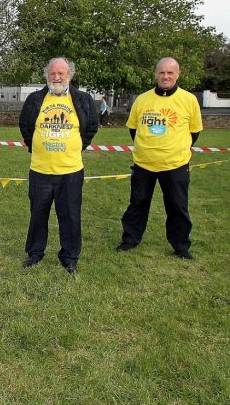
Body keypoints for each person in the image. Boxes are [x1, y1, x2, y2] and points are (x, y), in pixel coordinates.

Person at [18, 57, 99, 274]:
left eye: (61, 73)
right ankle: (35, 253)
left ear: (69, 75)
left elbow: (92, 126)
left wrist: (78, 146)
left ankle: (70, 258)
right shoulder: (35, 99)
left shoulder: (82, 99)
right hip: (40, 170)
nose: (57, 77)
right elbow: (25, 125)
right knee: (38, 214)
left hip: (71, 171)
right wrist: (35, 146)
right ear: (47, 75)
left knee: (70, 216)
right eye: (53, 73)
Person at [118, 57, 203, 259]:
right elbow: (133, 129)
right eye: (162, 72)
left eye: (170, 72)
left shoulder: (189, 100)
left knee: (177, 206)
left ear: (178, 74)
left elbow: (194, 132)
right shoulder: (142, 99)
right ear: (156, 74)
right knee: (137, 203)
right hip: (143, 164)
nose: (166, 76)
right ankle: (130, 240)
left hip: (175, 164)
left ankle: (181, 246)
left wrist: (174, 149)